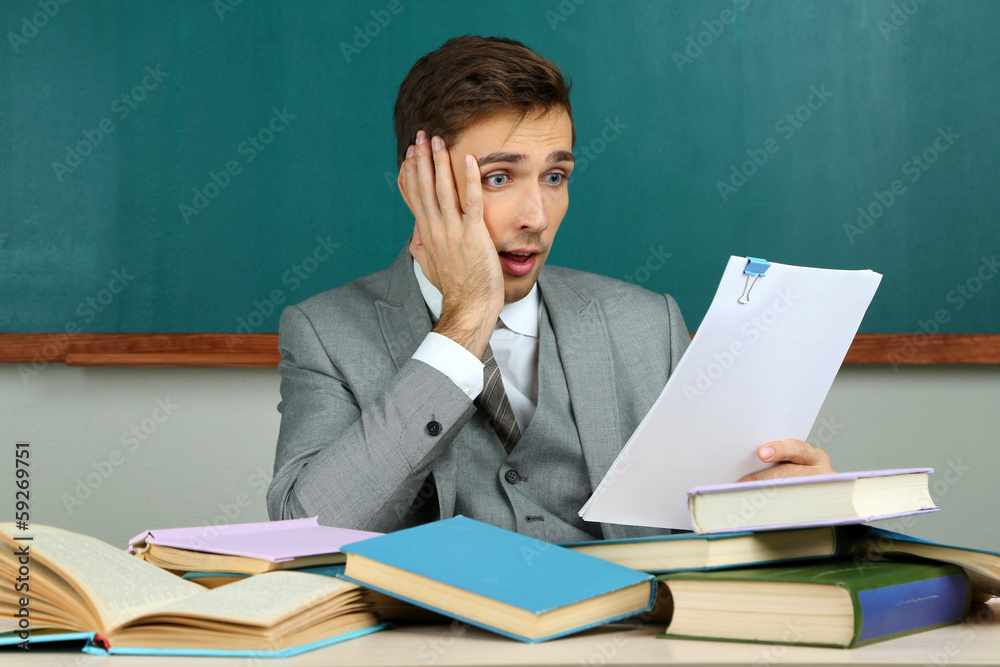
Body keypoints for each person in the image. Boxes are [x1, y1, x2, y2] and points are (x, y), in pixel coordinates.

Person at [266, 36, 832, 542]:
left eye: (555, 176)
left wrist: (787, 505)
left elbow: (709, 525)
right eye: (499, 178)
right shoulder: (325, 332)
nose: (536, 216)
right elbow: (303, 530)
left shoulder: (647, 324)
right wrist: (465, 321)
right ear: (420, 187)